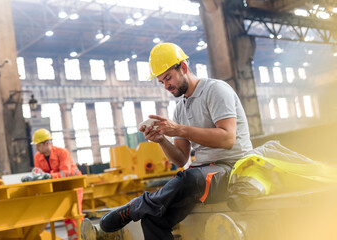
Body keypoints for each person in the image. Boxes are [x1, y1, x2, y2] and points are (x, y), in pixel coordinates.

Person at [98, 43, 253, 239]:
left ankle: (134, 207)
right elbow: (181, 159)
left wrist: (179, 129)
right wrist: (162, 140)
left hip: (233, 169)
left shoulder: (216, 90)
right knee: (153, 217)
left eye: (168, 78)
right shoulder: (180, 109)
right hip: (203, 173)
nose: (166, 86)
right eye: (161, 82)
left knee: (189, 178)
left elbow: (227, 138)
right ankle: (140, 208)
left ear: (184, 68)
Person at [31, 128, 83, 240]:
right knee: (66, 216)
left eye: (38, 145)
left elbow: (66, 172)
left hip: (74, 185)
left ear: (47, 143)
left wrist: (50, 176)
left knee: (75, 213)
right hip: (59, 188)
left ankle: (84, 237)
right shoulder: (37, 157)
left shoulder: (62, 152)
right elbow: (40, 175)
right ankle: (74, 238)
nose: (36, 148)